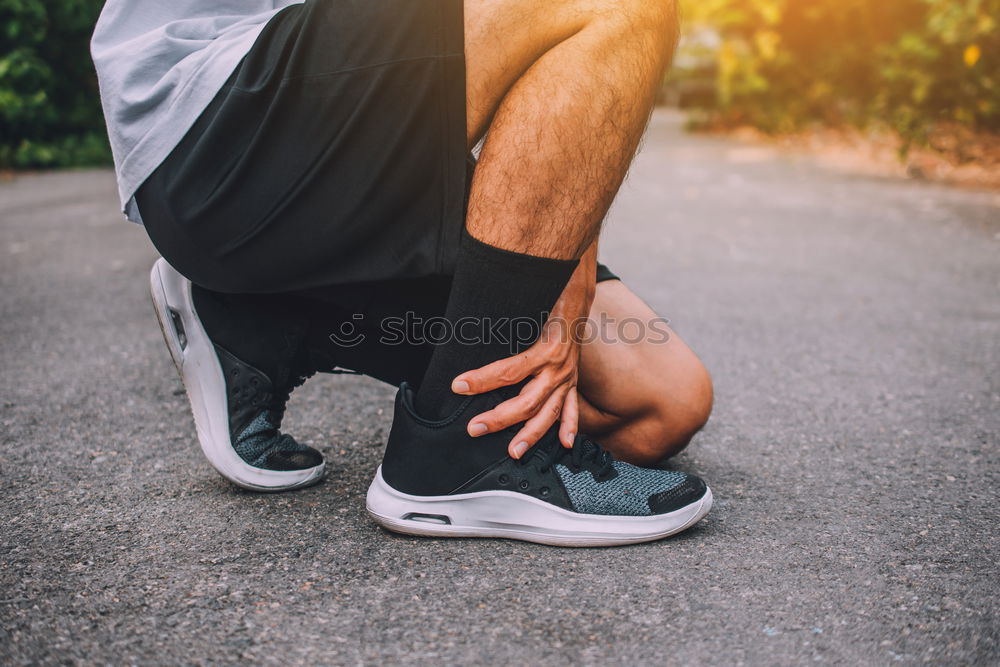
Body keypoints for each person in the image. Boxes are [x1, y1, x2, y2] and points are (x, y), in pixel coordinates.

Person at [92, 0, 715, 546]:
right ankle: (453, 455)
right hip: (219, 119)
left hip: (332, 162)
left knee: (661, 401)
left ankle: (264, 321)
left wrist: (570, 287)